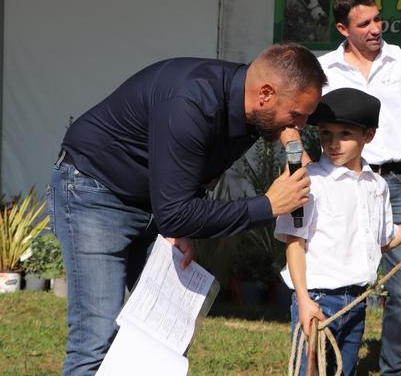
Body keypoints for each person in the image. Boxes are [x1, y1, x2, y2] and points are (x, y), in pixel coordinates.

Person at [48, 43, 326, 376]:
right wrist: (268, 205)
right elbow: (176, 213)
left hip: (155, 201)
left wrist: (294, 146)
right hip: (94, 192)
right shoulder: (190, 103)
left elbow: (187, 184)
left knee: (164, 339)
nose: (297, 126)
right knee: (96, 340)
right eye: (296, 115)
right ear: (265, 94)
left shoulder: (253, 107)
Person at [282, 0, 401, 375]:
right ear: (343, 28)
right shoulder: (321, 70)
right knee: (318, 251)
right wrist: (300, 164)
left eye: (378, 19)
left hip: (390, 183)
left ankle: (395, 369)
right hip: (330, 178)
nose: (375, 28)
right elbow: (288, 116)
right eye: (364, 23)